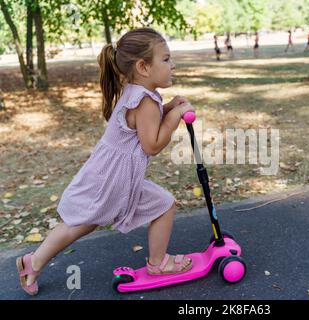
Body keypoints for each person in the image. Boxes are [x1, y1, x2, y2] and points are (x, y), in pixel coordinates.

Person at [16, 27, 195, 296]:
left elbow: (143, 125)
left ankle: (34, 261)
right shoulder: (144, 101)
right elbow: (152, 144)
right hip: (115, 179)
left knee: (84, 222)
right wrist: (174, 116)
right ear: (143, 66)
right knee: (161, 205)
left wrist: (168, 107)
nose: (173, 65)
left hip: (110, 174)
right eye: (166, 59)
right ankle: (158, 263)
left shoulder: (137, 91)